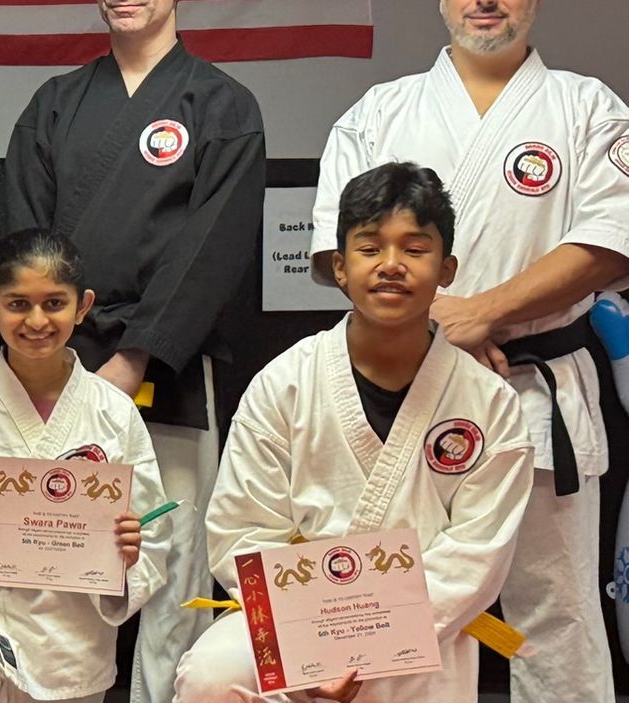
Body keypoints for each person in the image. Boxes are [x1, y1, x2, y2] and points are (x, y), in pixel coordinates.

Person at [308, 0, 629, 703]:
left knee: (554, 611)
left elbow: (610, 244)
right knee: (397, 602)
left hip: (530, 385)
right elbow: (331, 250)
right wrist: (434, 336)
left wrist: (478, 314)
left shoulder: (589, 108)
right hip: (403, 392)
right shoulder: (379, 112)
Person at [2, 0, 266, 703]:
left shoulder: (222, 107)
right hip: (59, 365)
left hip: (166, 368)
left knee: (173, 553)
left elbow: (210, 249)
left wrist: (135, 355)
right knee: (57, 548)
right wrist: (57, 352)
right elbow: (28, 242)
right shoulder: (53, 103)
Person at [177, 162, 534, 702]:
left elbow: (475, 556)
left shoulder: (491, 406)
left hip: (423, 626)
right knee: (212, 674)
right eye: (370, 248)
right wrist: (315, 638)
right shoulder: (285, 384)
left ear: (447, 269)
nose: (391, 265)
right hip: (295, 617)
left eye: (415, 250)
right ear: (340, 268)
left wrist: (373, 637)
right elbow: (242, 530)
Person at [0, 228, 169, 703]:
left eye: (54, 303)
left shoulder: (112, 411)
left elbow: (154, 532)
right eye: (17, 304)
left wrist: (128, 550)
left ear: (82, 307)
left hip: (72, 632)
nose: (36, 320)